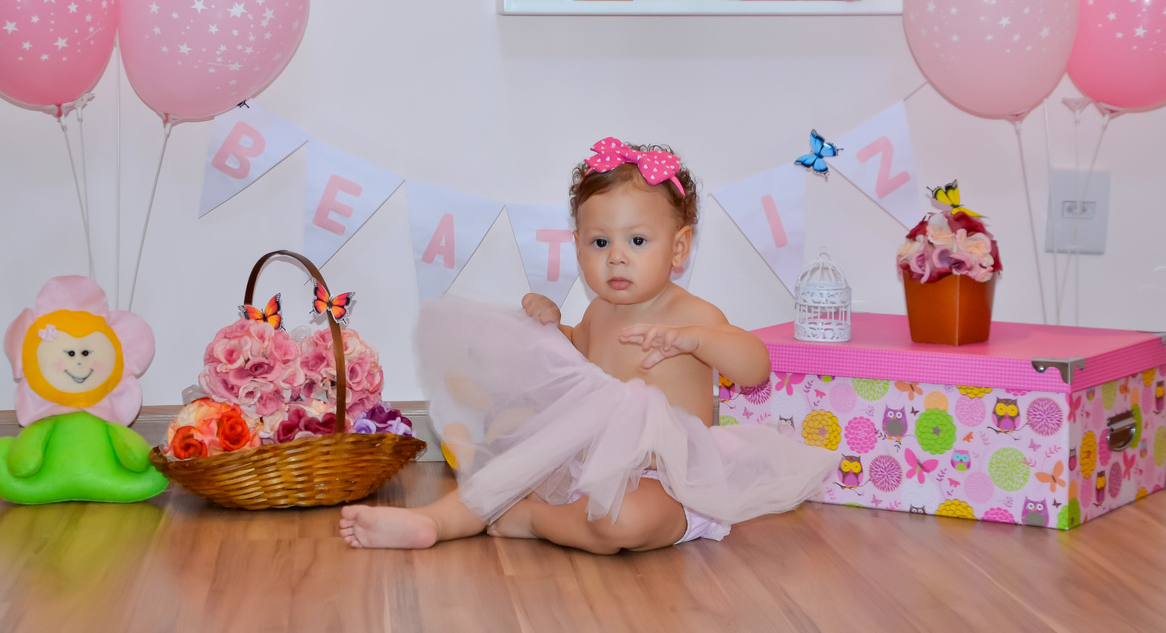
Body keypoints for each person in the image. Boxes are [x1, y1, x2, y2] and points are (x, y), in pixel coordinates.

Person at [340, 138, 836, 553]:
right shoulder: (598, 312)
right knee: (507, 474)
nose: (616, 258)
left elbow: (754, 367)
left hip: (670, 480)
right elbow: (573, 363)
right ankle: (433, 523)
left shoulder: (693, 315)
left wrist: (698, 340)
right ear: (578, 248)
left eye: (637, 241)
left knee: (625, 522)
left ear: (679, 247)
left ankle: (536, 521)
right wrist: (548, 327)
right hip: (588, 461)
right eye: (601, 243)